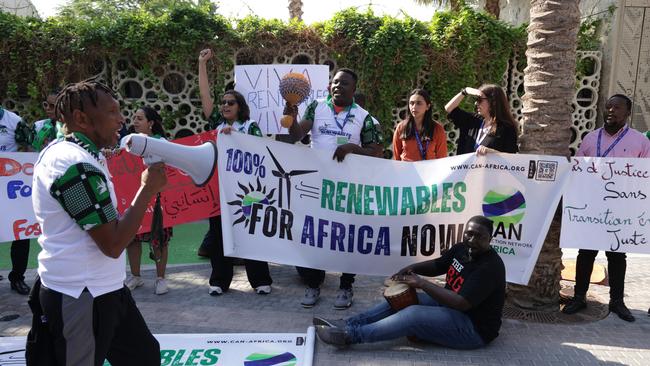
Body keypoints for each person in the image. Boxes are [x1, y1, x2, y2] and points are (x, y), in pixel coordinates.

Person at [27, 80, 164, 365]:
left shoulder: (80, 153)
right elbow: (112, 243)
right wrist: (147, 190)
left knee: (144, 357)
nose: (122, 119)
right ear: (81, 119)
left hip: (104, 288)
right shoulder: (72, 165)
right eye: (113, 111)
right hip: (81, 295)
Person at [313, 215, 505, 349]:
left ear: (490, 239)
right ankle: (347, 324)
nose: (472, 240)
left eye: (480, 237)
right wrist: (412, 268)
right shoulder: (462, 248)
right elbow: (438, 265)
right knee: (401, 299)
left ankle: (349, 337)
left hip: (473, 329)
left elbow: (461, 303)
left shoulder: (490, 267)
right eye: (469, 234)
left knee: (413, 314)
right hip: (450, 308)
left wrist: (421, 283)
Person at [285, 68, 383, 309]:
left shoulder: (364, 117)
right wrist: (291, 117)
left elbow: (376, 151)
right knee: (313, 234)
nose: (338, 86)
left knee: (346, 237)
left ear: (354, 88)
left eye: (345, 83)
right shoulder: (316, 107)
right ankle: (312, 284)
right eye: (335, 82)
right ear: (330, 86)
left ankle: (346, 286)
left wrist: (352, 148)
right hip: (316, 185)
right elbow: (298, 133)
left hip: (347, 188)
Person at [562, 94, 650, 322]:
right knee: (585, 254)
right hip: (592, 208)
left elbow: (645, 178)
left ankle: (617, 301)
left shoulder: (641, 142)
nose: (611, 110)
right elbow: (579, 170)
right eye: (608, 106)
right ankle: (579, 297)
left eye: (617, 107)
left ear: (628, 113)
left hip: (621, 209)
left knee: (617, 256)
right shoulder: (591, 138)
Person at [198, 48, 273, 296]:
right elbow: (204, 96)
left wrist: (237, 138)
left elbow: (259, 154)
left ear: (240, 107)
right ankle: (219, 281)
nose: (225, 105)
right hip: (219, 190)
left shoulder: (250, 126)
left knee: (251, 232)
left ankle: (260, 280)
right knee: (218, 235)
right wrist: (202, 64)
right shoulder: (215, 125)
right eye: (223, 103)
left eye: (231, 102)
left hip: (248, 191)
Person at [123, 106, 173, 295]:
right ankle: (136, 276)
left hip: (158, 199)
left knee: (159, 238)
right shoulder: (127, 143)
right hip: (133, 197)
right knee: (132, 238)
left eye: (140, 118)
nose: (135, 121)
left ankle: (161, 279)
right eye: (134, 117)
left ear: (151, 123)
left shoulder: (162, 143)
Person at [0, 106, 33, 295]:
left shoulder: (14, 121)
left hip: (12, 185)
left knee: (20, 232)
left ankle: (17, 277)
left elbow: (28, 148)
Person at [444, 84, 518, 155]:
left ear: (493, 102)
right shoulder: (473, 120)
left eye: (480, 100)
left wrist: (492, 152)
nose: (476, 103)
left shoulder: (507, 128)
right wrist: (465, 91)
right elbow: (449, 108)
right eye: (476, 100)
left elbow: (510, 159)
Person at [393, 88, 448, 161]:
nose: (414, 107)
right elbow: (397, 157)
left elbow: (442, 158)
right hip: (406, 171)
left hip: (429, 171)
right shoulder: (401, 127)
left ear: (428, 106)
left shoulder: (437, 129)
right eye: (411, 103)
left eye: (419, 103)